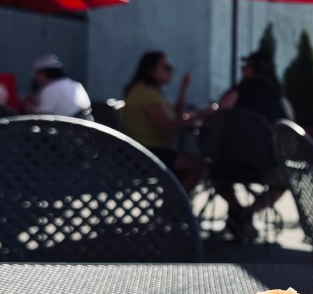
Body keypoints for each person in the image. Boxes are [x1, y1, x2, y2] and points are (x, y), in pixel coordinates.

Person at [215, 50, 295, 241]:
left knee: (212, 173)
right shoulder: (281, 100)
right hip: (267, 166)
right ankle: (248, 213)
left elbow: (215, 125)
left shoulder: (234, 95)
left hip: (228, 164)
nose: (242, 70)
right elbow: (290, 134)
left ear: (252, 69)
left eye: (245, 66)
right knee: (283, 182)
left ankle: (238, 212)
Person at [121, 50, 205, 193]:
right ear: (151, 70)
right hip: (147, 152)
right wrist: (198, 116)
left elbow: (177, 115)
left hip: (148, 150)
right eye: (167, 68)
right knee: (198, 166)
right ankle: (175, 204)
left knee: (188, 166)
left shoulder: (151, 91)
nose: (171, 71)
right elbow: (168, 127)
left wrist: (183, 89)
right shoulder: (146, 93)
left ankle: (172, 204)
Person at [24, 54, 92, 118]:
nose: (36, 78)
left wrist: (29, 108)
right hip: (89, 123)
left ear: (42, 73)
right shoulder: (75, 84)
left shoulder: (49, 89)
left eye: (37, 74)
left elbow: (44, 118)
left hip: (73, 125)